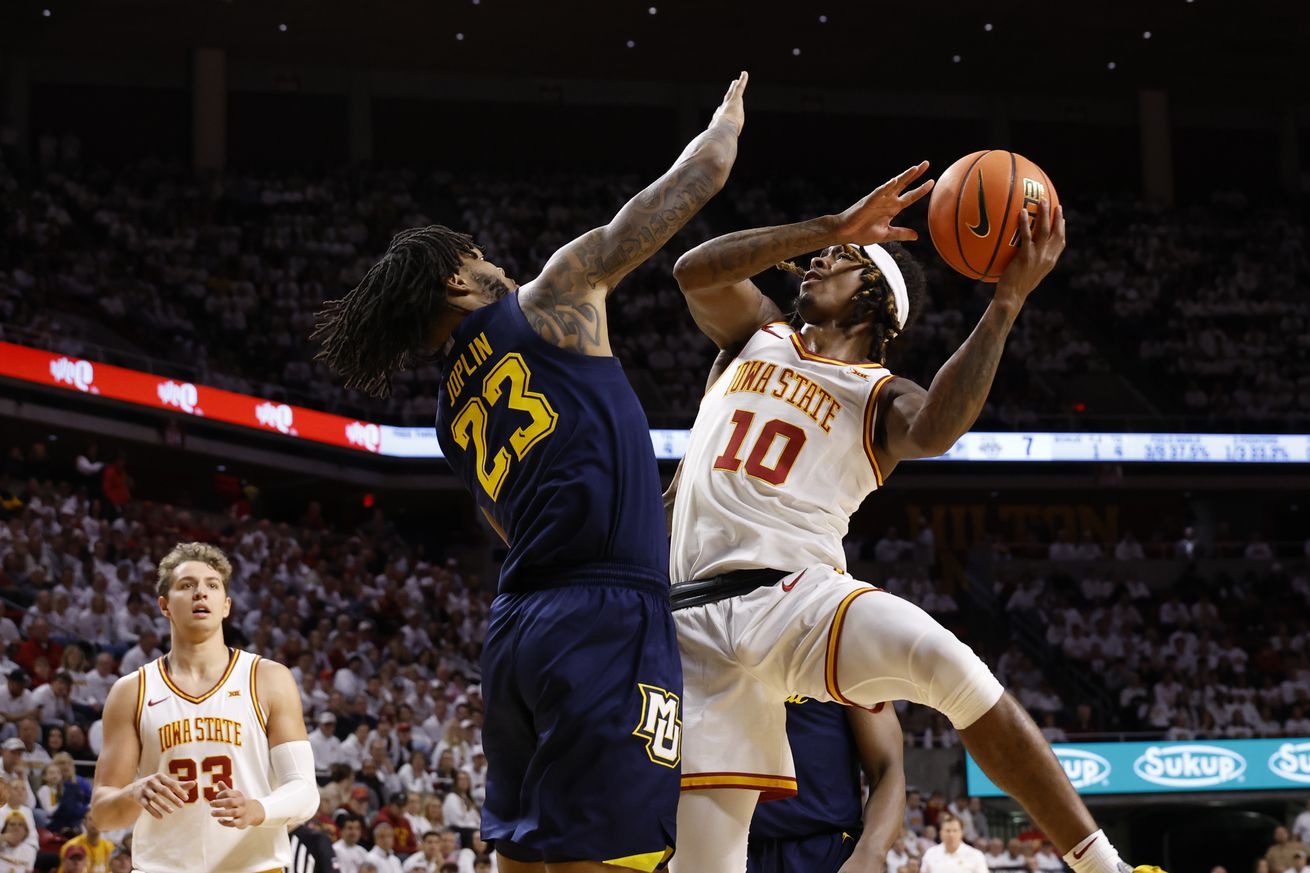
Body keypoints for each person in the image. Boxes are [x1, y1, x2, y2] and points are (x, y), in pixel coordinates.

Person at [665, 164, 1162, 873]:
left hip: (795, 599)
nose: (815, 261)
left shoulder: (880, 394)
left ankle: (1105, 867)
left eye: (839, 260)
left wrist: (1007, 301)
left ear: (878, 301)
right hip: (690, 627)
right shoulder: (755, 333)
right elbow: (693, 271)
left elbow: (935, 430)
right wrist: (833, 225)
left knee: (950, 666)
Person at [312, 72, 749, 873]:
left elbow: (511, 521)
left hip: (517, 625)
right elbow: (698, 179)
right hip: (606, 615)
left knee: (521, 849)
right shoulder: (552, 296)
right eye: (478, 256)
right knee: (616, 850)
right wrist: (725, 122)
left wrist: (644, 506)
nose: (495, 263)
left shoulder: (450, 408)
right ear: (455, 278)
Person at [90, 543, 319, 873]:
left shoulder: (267, 678)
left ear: (226, 606)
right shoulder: (132, 691)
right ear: (165, 606)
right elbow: (103, 814)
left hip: (254, 868)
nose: (201, 593)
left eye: (212, 585)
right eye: (187, 585)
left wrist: (258, 808)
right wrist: (133, 793)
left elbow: (305, 792)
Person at [746, 700, 903, 873]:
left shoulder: (847, 672)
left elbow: (887, 767)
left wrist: (870, 854)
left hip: (826, 848)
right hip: (735, 844)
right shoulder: (719, 673)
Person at [921, 814, 987, 873]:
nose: (951, 834)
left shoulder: (975, 855)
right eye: (948, 830)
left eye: (955, 830)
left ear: (962, 833)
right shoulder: (930, 854)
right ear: (941, 833)